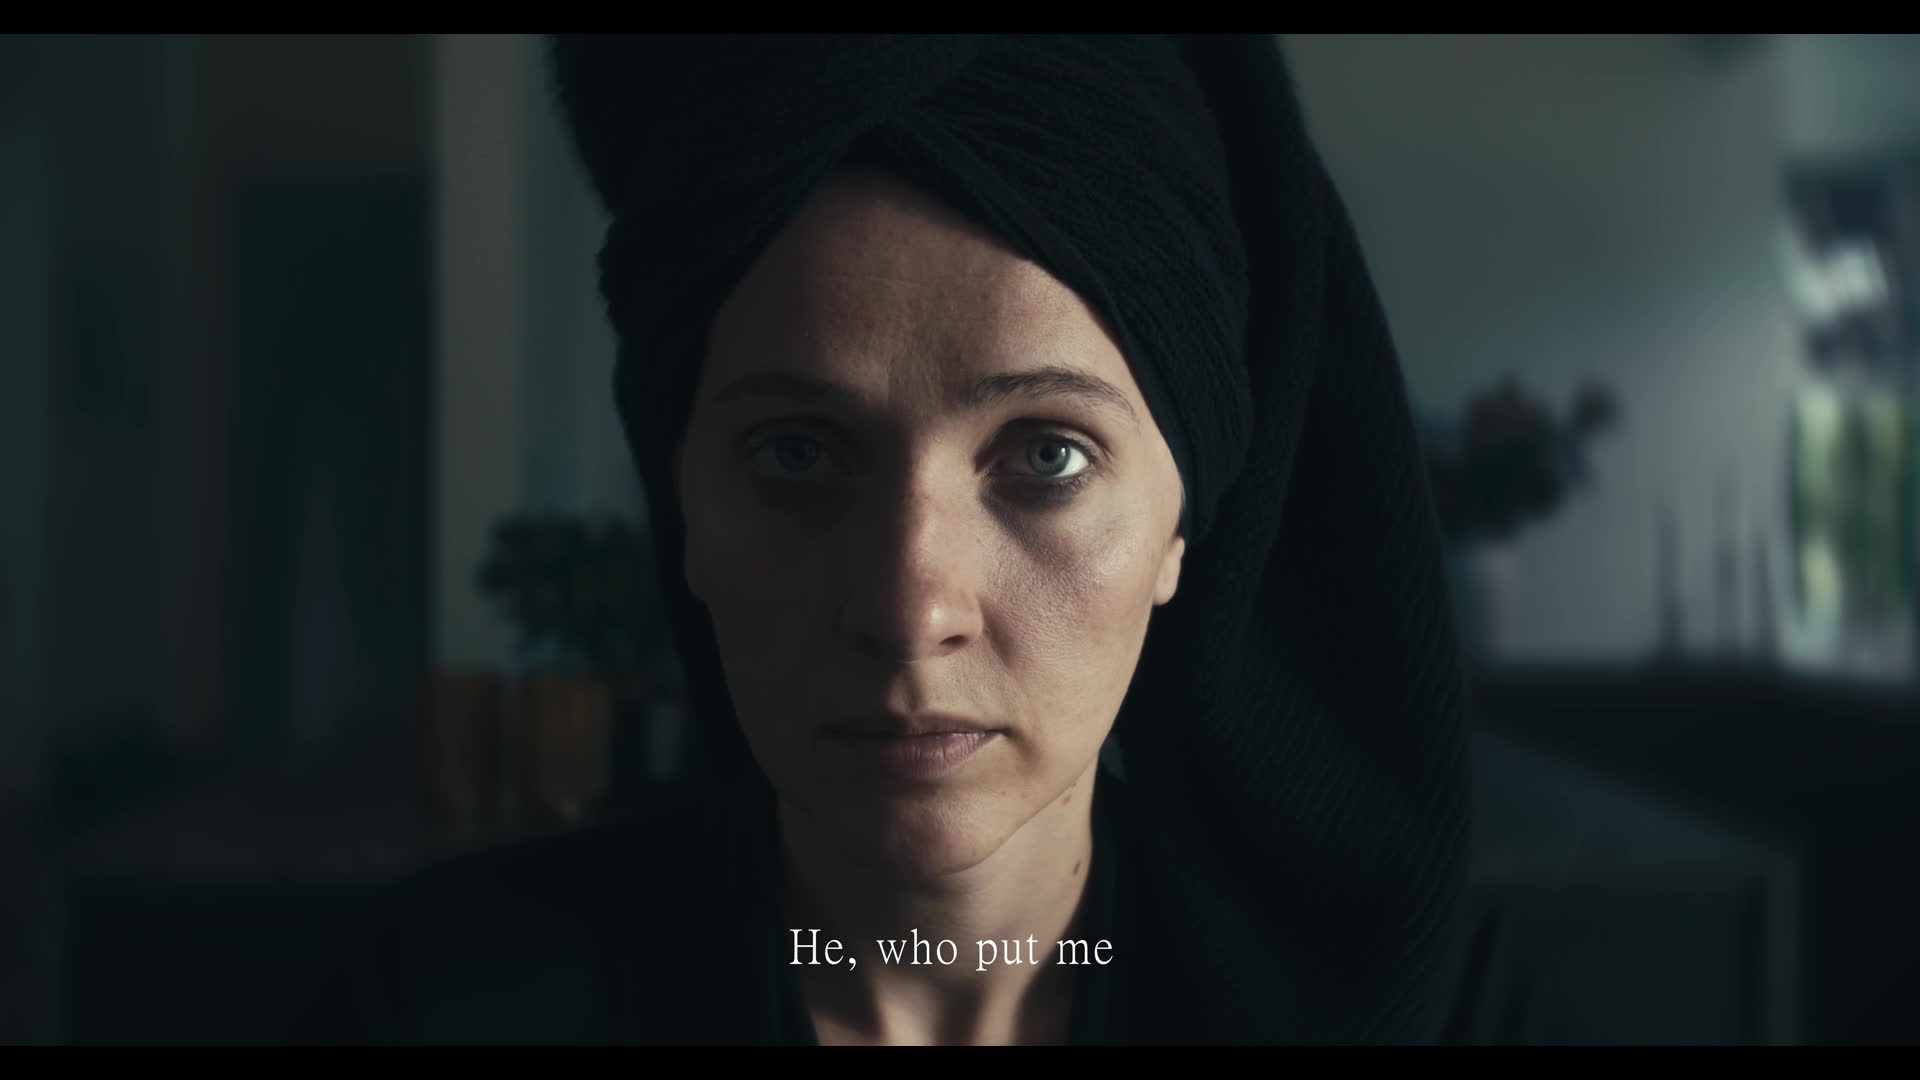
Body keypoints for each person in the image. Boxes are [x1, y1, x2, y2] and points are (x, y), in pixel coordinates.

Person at [310, 34, 1528, 1046]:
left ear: (1181, 527)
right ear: (684, 506)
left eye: (1046, 458)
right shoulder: (437, 1005)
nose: (909, 608)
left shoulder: (1439, 1015)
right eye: (797, 455)